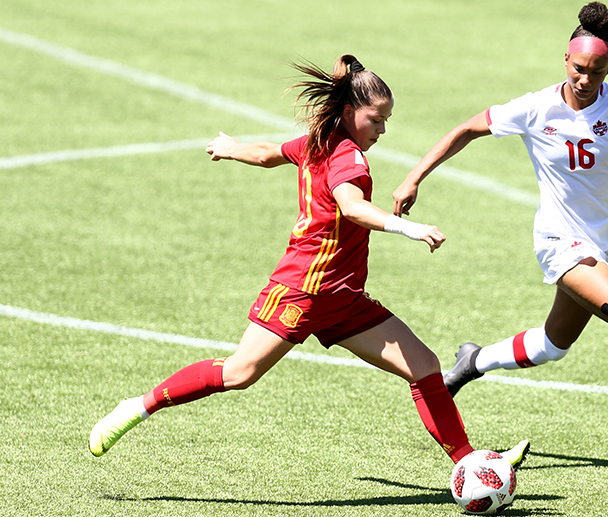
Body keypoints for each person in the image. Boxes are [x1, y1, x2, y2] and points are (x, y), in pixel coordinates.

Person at [89, 54, 529, 471]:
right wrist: (410, 229)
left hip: (342, 299)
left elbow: (266, 153)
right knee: (239, 373)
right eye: (376, 119)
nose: (381, 129)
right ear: (350, 111)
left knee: (425, 366)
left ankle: (470, 463)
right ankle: (138, 407)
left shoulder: (319, 141)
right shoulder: (347, 157)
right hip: (302, 289)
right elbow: (352, 206)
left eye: (386, 121)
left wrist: (232, 147)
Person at [392, 3, 608, 477]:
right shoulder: (535, 107)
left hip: (603, 243)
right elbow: (465, 129)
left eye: (597, 70)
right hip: (559, 243)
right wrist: (413, 178)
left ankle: (473, 361)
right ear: (564, 60)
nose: (586, 78)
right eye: (578, 68)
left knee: (554, 344)